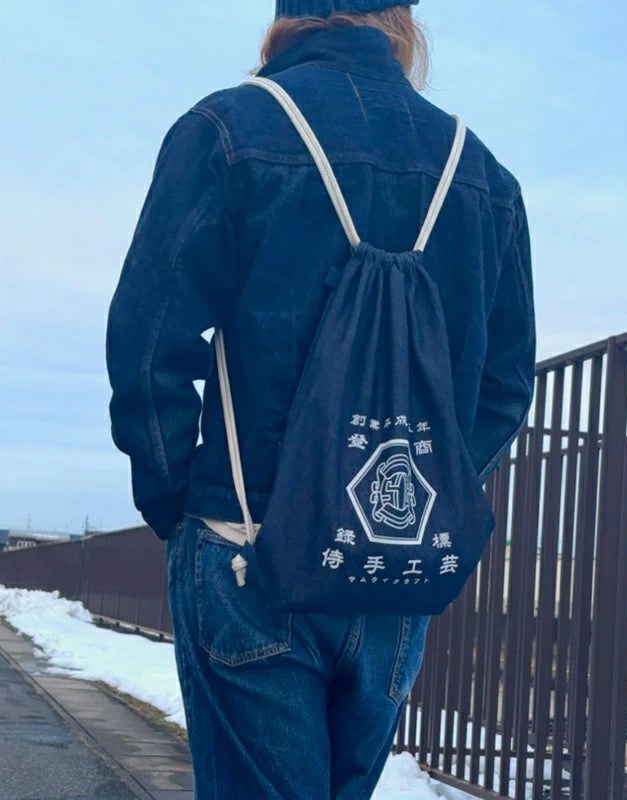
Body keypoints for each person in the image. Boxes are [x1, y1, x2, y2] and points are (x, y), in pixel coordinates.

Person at [106, 1, 536, 797]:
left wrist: (178, 502)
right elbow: (505, 385)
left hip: (246, 541)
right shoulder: (483, 175)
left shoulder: (228, 129)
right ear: (402, 23)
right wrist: (416, 500)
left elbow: (149, 340)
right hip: (391, 563)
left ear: (286, 21)